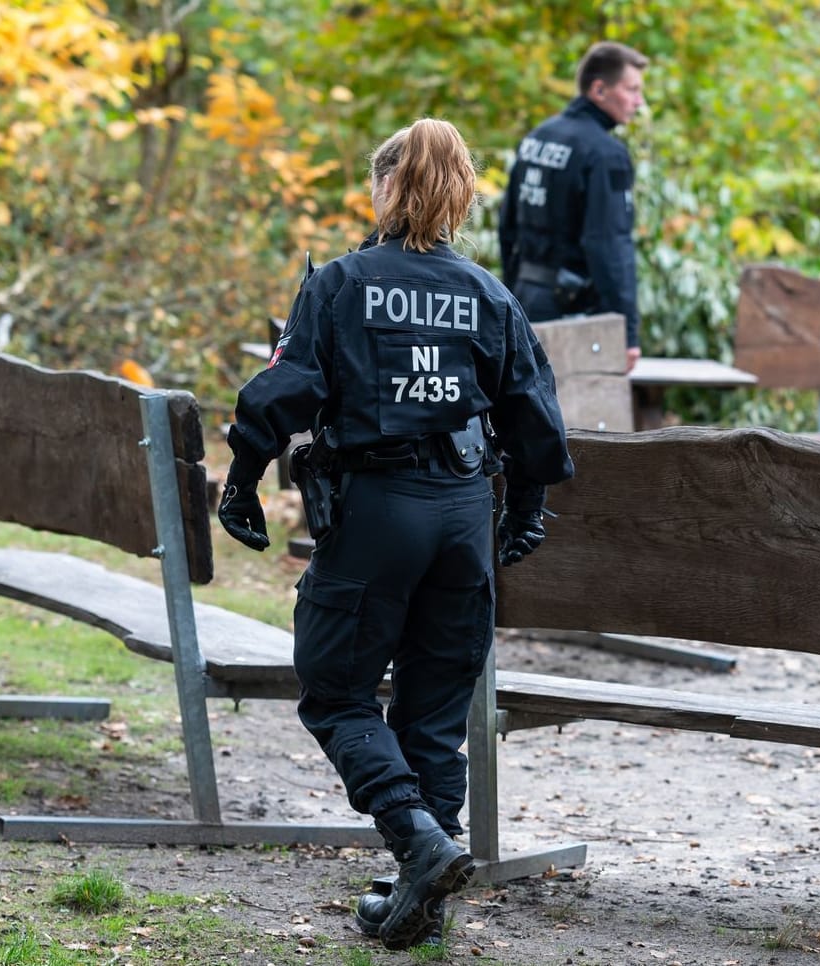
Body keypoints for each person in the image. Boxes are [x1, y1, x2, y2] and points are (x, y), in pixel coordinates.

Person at [217, 118, 574, 951]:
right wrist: (523, 511)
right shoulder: (489, 294)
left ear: (383, 188)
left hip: (379, 512)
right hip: (462, 515)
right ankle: (422, 893)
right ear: (462, 194)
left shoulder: (339, 284)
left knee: (337, 691)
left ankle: (416, 841)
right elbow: (534, 419)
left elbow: (283, 390)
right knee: (433, 709)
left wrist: (239, 482)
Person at [499, 40, 648, 373]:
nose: (639, 102)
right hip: (573, 314)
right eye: (632, 90)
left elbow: (506, 224)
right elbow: (609, 245)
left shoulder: (538, 137)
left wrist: (510, 296)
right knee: (581, 416)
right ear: (599, 89)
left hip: (524, 298)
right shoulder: (605, 154)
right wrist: (626, 333)